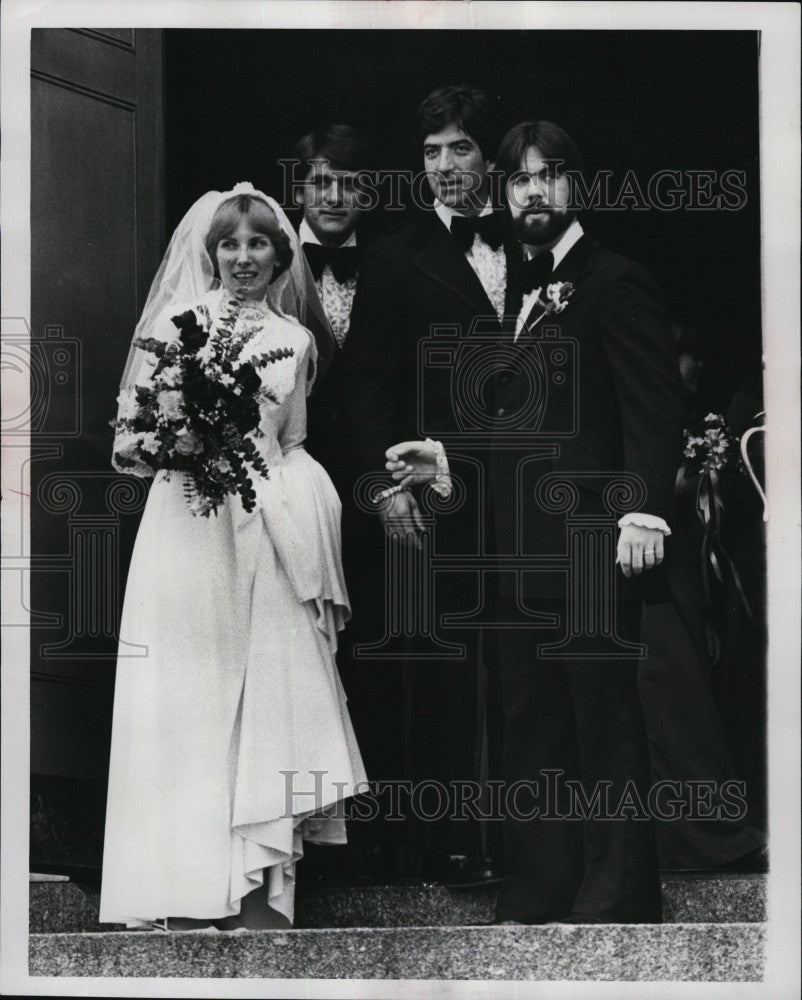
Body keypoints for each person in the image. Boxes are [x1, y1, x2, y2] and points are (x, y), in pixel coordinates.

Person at [386, 120, 686, 923]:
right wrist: (445, 463)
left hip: (591, 543)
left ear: (574, 185)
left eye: (548, 175)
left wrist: (646, 507)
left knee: (603, 719)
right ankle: (544, 883)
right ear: (504, 193)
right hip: (517, 551)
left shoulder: (615, 280)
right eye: (519, 179)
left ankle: (617, 891)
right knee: (530, 722)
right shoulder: (522, 291)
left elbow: (655, 409)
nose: (532, 191)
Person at [99, 183, 366, 930]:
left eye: (258, 245)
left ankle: (257, 887)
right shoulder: (177, 323)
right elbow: (131, 438)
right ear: (210, 253)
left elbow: (293, 442)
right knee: (184, 698)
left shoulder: (298, 338)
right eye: (230, 244)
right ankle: (177, 885)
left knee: (267, 696)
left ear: (281, 256)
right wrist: (170, 441)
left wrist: (300, 514)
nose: (243, 257)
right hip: (187, 527)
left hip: (265, 524)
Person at [345, 84, 514, 886]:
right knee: (444, 671)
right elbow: (369, 390)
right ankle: (450, 842)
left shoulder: (537, 244)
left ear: (491, 157)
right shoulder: (392, 256)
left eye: (460, 149)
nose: (444, 167)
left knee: (532, 666)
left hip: (530, 495)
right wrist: (387, 486)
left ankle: (536, 839)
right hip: (438, 497)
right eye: (431, 152)